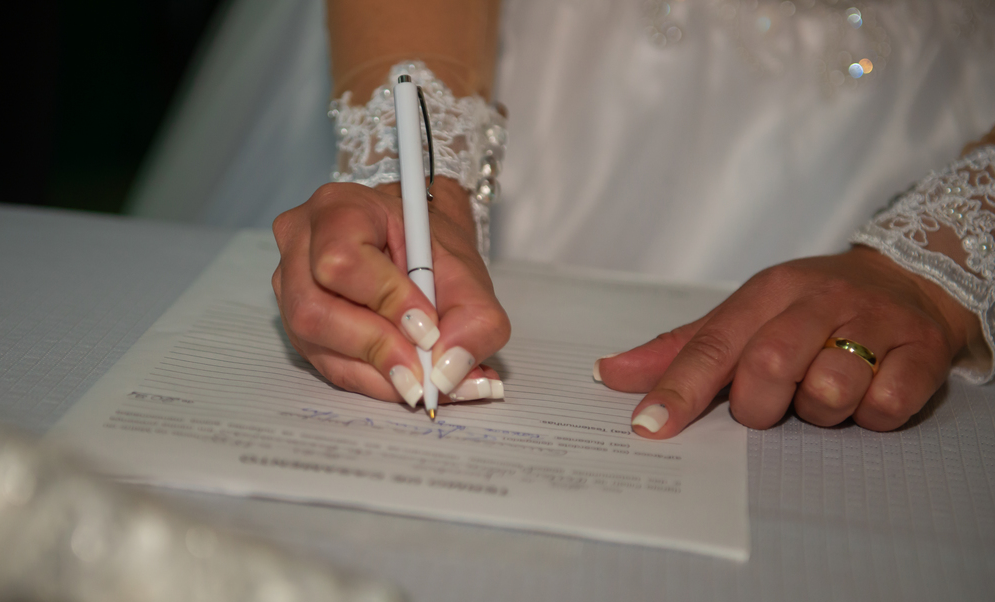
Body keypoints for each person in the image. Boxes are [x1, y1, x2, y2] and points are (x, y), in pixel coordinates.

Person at [268, 0, 995, 439]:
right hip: (520, 55)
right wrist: (422, 175)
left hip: (918, 112)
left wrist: (938, 259)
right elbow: (410, 132)